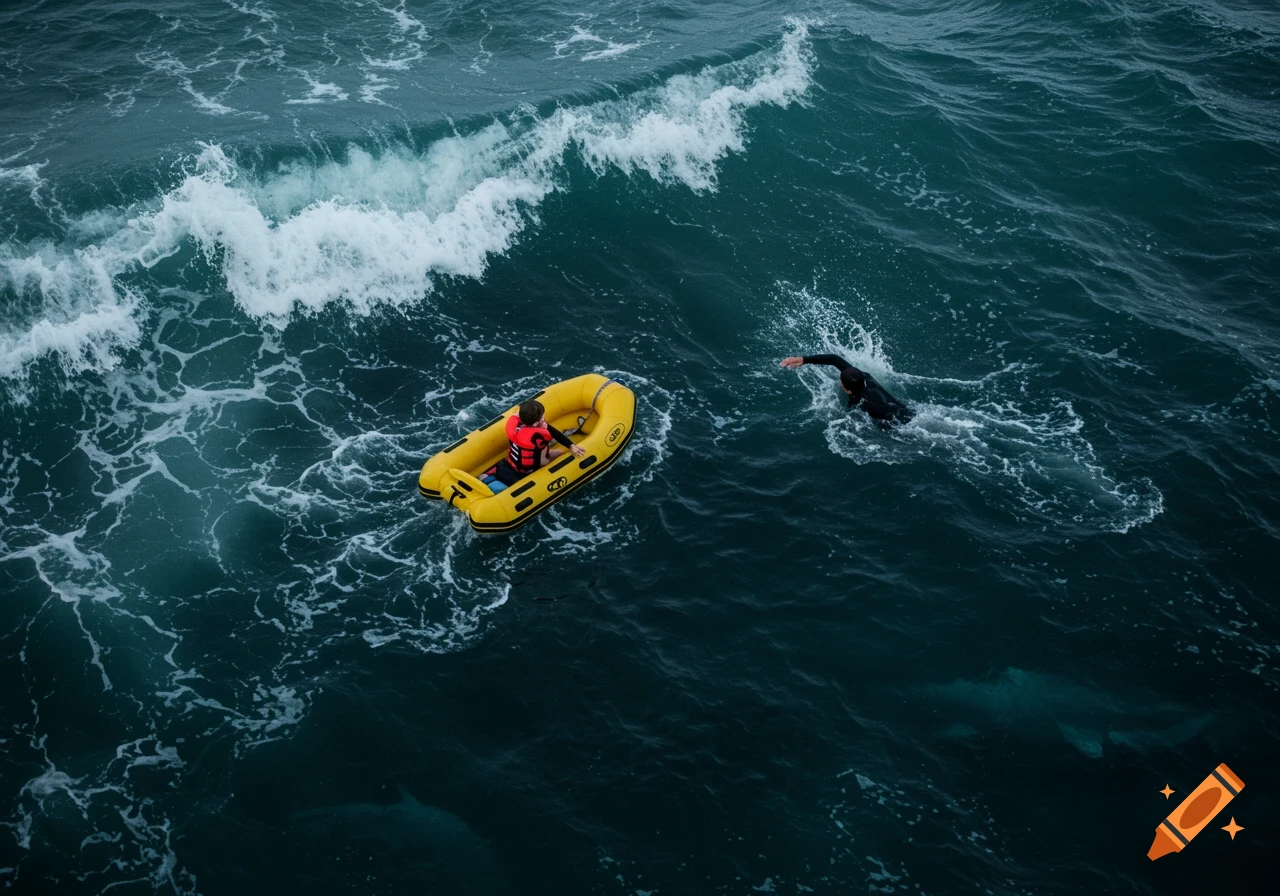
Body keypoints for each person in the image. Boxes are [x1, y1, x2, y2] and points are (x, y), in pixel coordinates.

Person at [480, 399, 586, 492]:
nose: (544, 418)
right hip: (523, 473)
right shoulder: (539, 437)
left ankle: (487, 479)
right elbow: (542, 462)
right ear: (535, 423)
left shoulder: (513, 426)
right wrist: (568, 447)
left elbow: (517, 414)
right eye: (542, 417)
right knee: (559, 452)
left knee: (483, 476)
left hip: (505, 465)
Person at [780, 354, 913, 428]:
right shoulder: (865, 377)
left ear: (848, 391)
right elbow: (835, 359)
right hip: (907, 411)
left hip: (897, 425)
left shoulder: (856, 403)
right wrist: (804, 360)